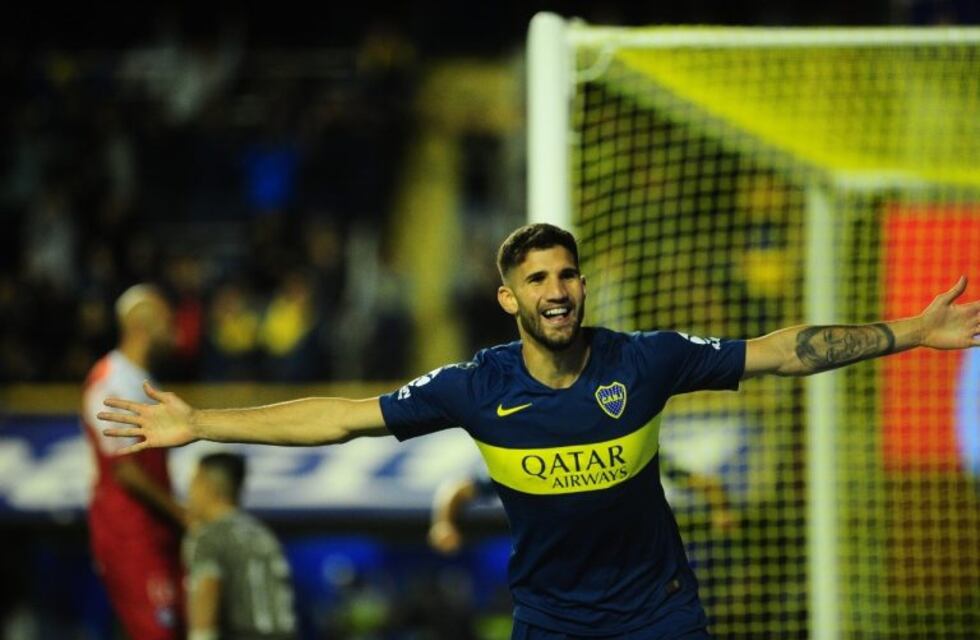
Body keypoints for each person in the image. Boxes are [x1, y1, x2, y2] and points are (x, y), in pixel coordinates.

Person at [98, 224, 980, 639]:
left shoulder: (646, 361)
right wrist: (201, 420)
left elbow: (782, 352)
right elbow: (340, 417)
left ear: (581, 286)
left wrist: (913, 331)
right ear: (508, 298)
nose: (557, 290)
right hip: (553, 621)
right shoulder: (475, 386)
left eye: (568, 275)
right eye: (537, 279)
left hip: (660, 615)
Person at [80, 284, 185, 640]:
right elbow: (125, 471)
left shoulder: (143, 382)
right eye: (168, 324)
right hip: (128, 531)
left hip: (153, 528)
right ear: (143, 326)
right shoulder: (108, 383)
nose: (176, 334)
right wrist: (181, 512)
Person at [428, 460, 737, 555]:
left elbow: (700, 481)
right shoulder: (534, 461)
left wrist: (721, 509)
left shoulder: (629, 450)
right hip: (561, 578)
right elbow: (457, 489)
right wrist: (444, 523)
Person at [183, 452, 297, 640]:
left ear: (207, 485)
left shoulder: (208, 536)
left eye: (193, 482)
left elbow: (207, 591)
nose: (190, 492)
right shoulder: (262, 533)